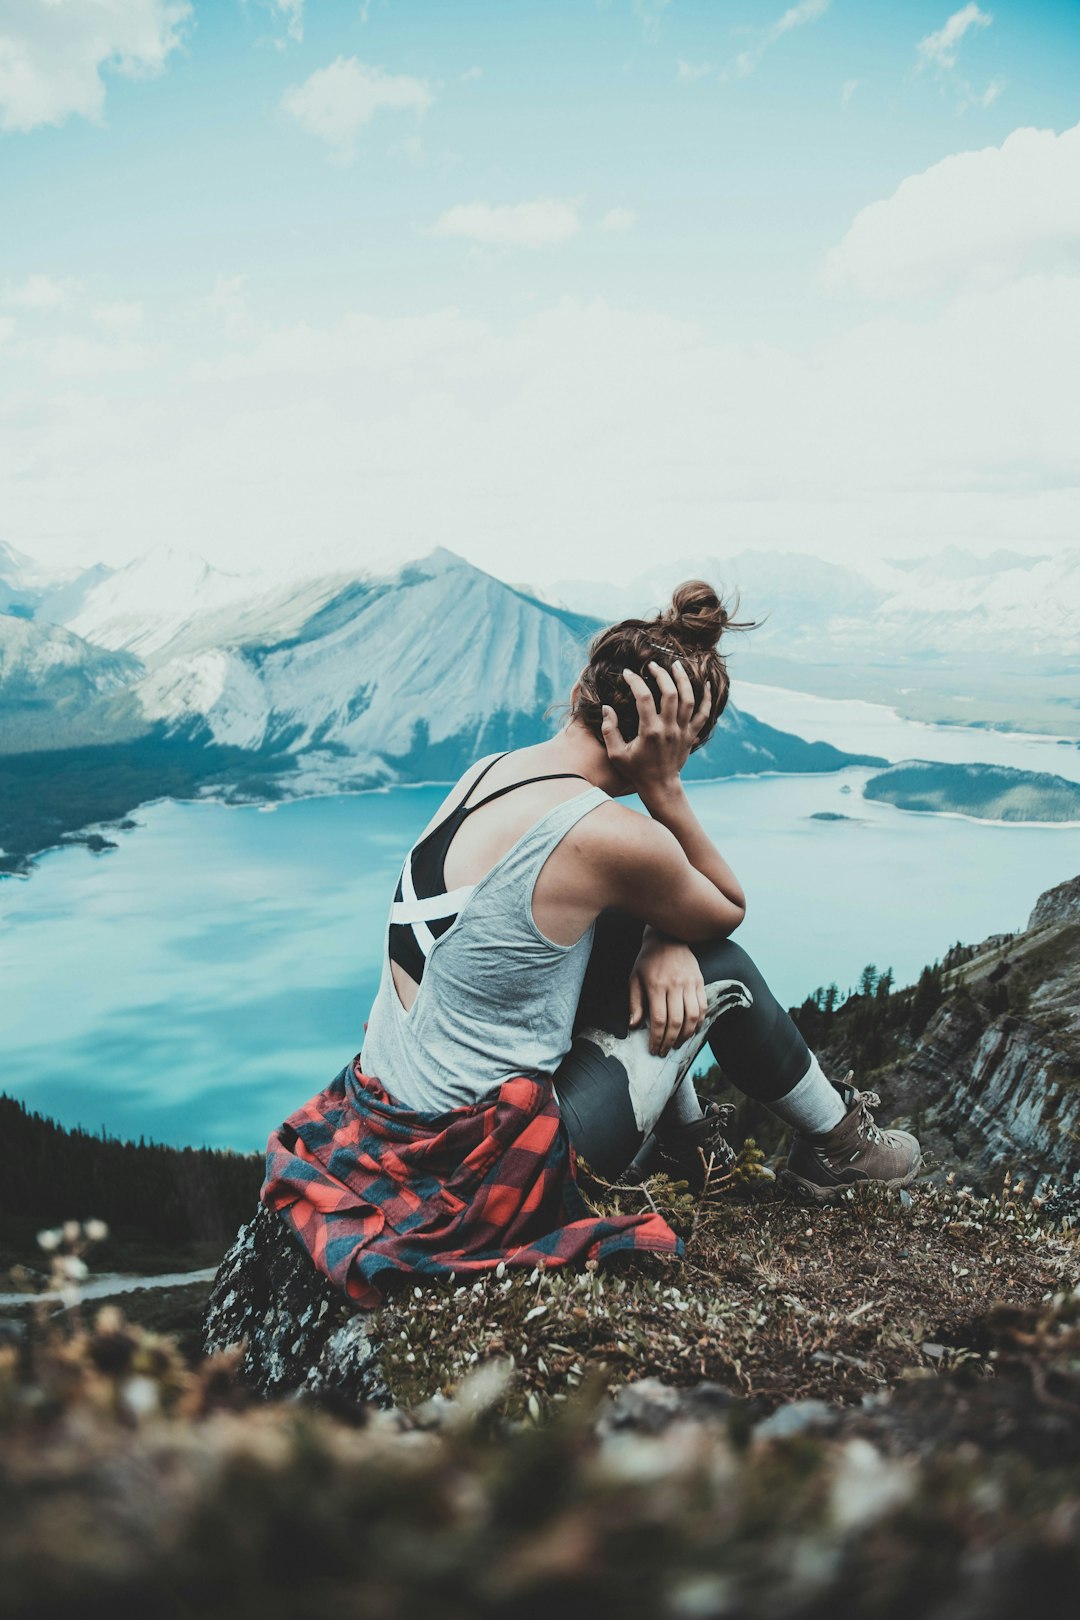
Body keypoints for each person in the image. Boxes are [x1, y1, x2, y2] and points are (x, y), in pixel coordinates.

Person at [263, 582, 921, 1307]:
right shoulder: (607, 835)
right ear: (676, 739)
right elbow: (726, 911)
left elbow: (588, 908)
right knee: (724, 972)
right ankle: (839, 1147)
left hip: (394, 1121)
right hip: (477, 1170)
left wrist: (658, 934)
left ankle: (689, 1145)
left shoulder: (494, 771)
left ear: (585, 690)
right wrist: (665, 791)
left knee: (667, 944)